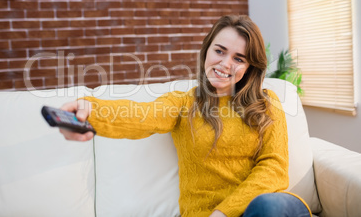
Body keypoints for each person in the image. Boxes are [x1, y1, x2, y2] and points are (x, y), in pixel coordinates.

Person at [59, 15, 311, 217]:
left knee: (268, 207)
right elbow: (140, 115)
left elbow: (274, 168)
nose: (225, 64)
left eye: (239, 58)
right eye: (220, 51)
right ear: (206, 51)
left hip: (266, 210)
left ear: (248, 67)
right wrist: (89, 109)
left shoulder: (266, 103)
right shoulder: (184, 103)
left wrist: (222, 213)